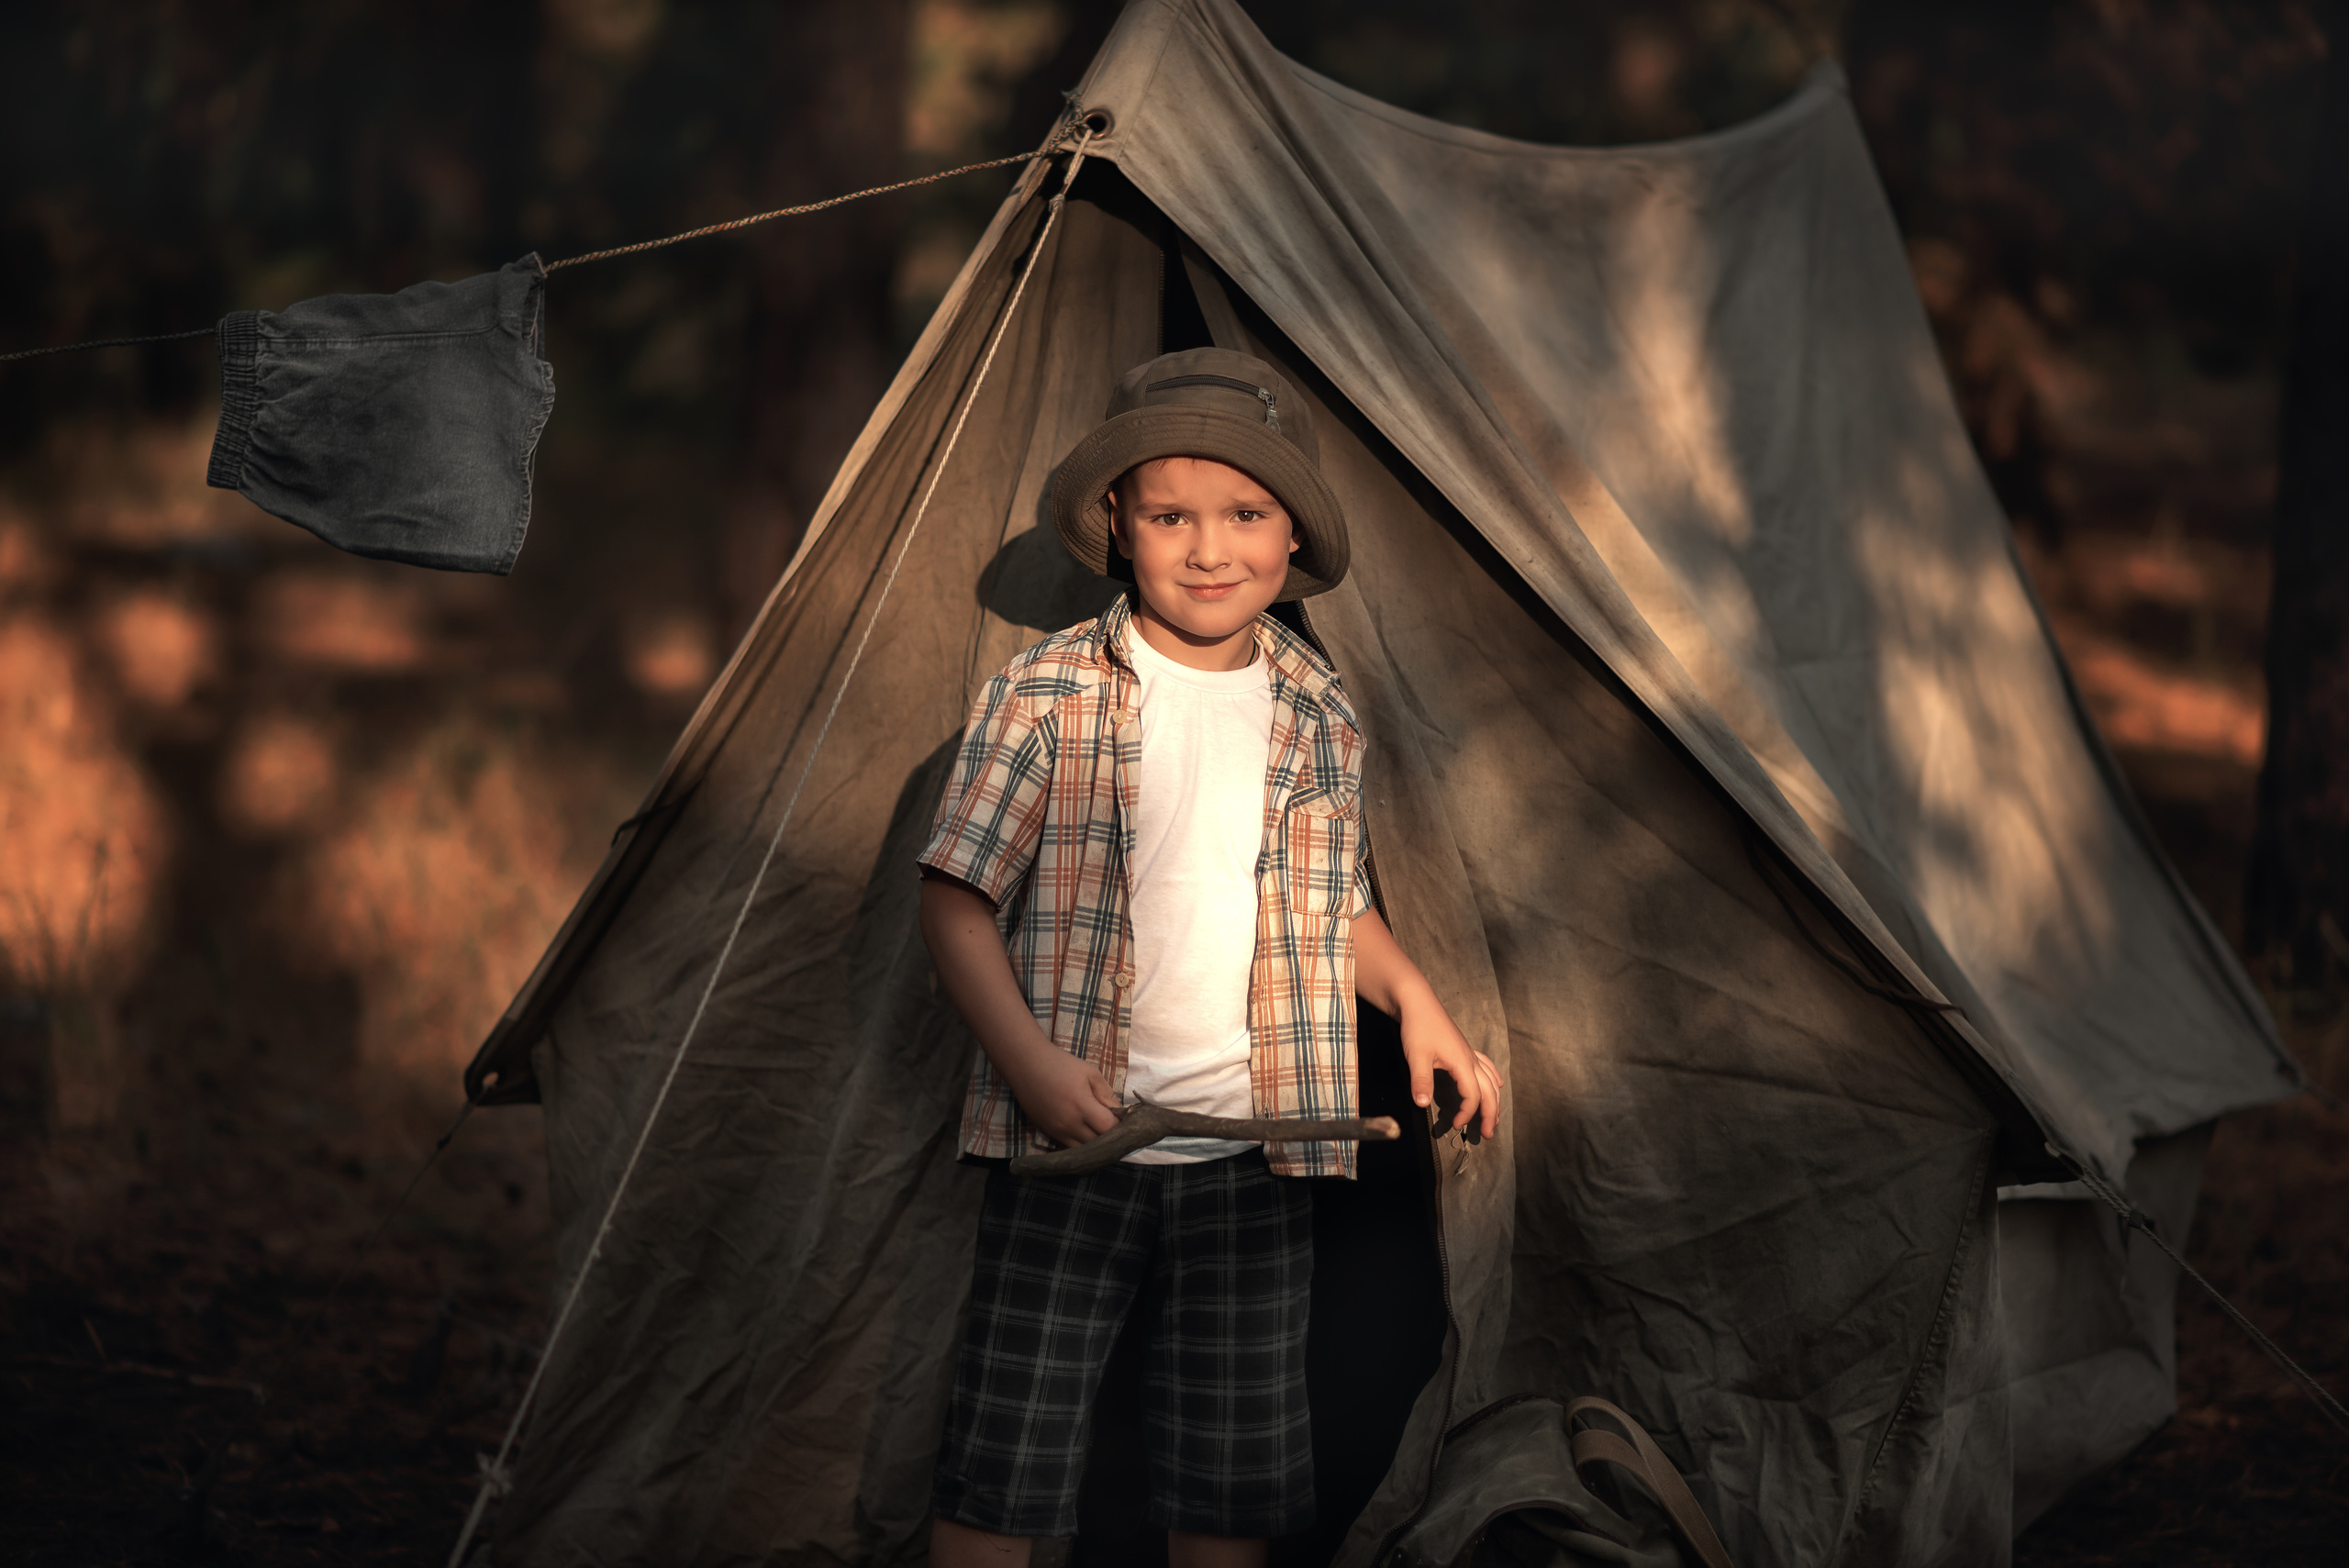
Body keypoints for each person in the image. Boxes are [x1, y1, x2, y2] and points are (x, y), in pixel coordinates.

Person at [918, 348, 1503, 1568]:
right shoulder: (1047, 694)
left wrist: (1420, 1008)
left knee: (1226, 1477)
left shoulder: (1316, 708)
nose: (1209, 547)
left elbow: (1330, 908)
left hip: (1254, 1153)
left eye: (1245, 514)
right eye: (1173, 515)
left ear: (1291, 538)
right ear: (1119, 522)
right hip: (1077, 1142)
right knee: (1006, 1457)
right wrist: (1030, 1066)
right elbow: (955, 900)